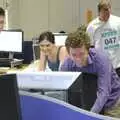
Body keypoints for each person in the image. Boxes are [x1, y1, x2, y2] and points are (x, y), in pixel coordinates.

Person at [60, 25, 120, 118]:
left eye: (82, 54)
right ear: (68, 53)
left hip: (111, 101)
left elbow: (104, 93)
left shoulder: (101, 60)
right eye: (74, 55)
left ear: (88, 50)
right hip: (87, 101)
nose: (78, 59)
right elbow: (62, 90)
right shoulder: (67, 65)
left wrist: (89, 115)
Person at [86, 0, 120, 77]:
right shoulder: (92, 26)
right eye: (104, 15)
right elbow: (90, 47)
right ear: (99, 12)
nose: (106, 17)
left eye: (108, 14)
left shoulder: (118, 22)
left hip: (117, 64)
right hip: (101, 65)